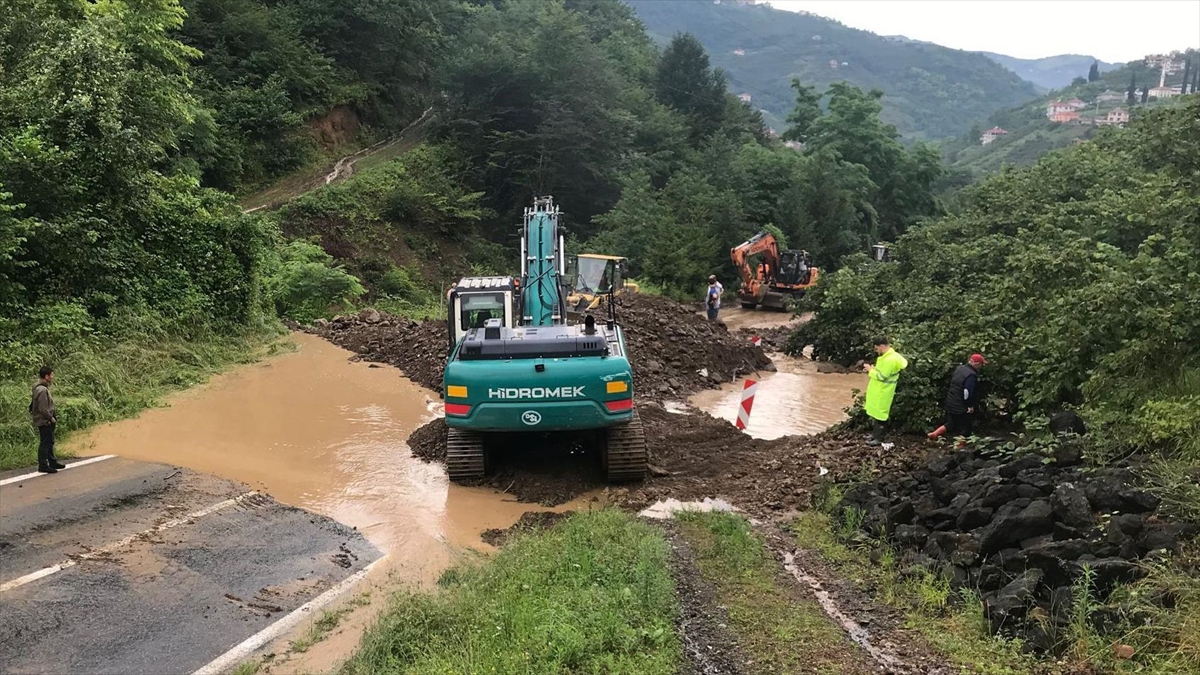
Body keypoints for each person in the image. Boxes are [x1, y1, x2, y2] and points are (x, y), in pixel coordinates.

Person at [928, 353, 987, 442]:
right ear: (977, 363)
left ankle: (934, 434)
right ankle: (959, 448)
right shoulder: (971, 375)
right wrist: (969, 406)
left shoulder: (959, 368)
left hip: (951, 401)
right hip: (961, 406)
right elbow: (967, 392)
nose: (981, 366)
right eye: (981, 364)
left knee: (951, 423)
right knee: (966, 430)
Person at [863, 336, 908, 446]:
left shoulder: (890, 359)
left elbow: (882, 376)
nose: (876, 351)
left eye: (876, 348)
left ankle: (879, 438)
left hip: (884, 391)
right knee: (876, 412)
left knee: (881, 415)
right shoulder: (887, 357)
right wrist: (873, 369)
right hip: (879, 389)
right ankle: (874, 435)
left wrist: (870, 370)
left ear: (882, 346)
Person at [31, 366, 64, 473]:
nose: (52, 377)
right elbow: (43, 408)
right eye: (51, 375)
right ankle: (43, 466)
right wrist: (50, 418)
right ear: (46, 376)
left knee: (49, 441)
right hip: (45, 420)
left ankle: (52, 462)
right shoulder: (42, 390)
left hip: (45, 419)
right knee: (45, 443)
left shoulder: (40, 387)